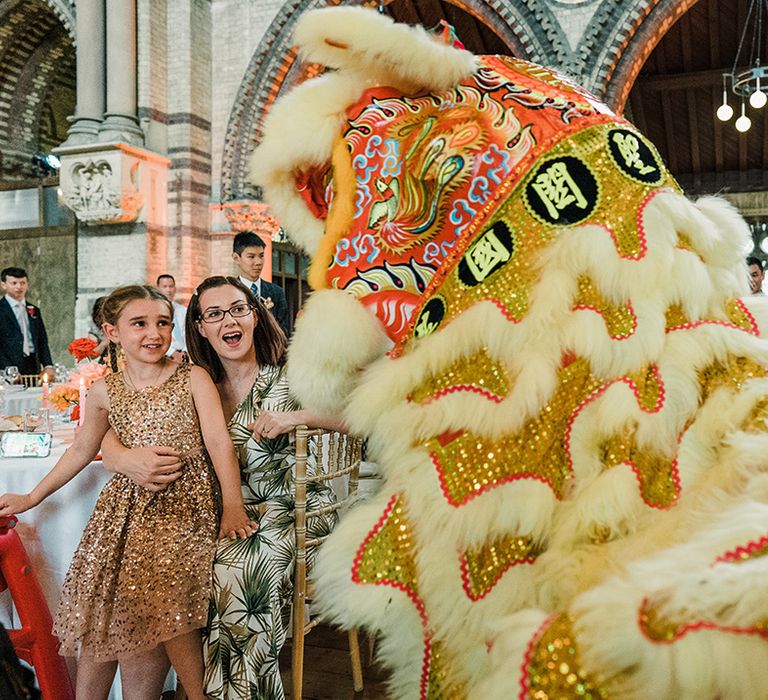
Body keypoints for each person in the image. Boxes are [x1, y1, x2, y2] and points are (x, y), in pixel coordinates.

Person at [0, 284, 257, 700]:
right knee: (106, 594)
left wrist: (232, 505)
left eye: (162, 324)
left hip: (185, 504)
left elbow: (218, 442)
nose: (153, 334)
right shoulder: (104, 391)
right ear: (112, 331)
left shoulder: (194, 377)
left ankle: (197, 693)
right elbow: (83, 449)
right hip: (124, 511)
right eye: (139, 324)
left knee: (166, 593)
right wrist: (32, 497)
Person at [103, 276, 340, 699]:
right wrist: (119, 457)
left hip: (293, 505)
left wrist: (298, 416)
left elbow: (361, 415)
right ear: (199, 327)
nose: (228, 320)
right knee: (157, 567)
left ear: (254, 315)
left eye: (237, 309)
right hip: (215, 509)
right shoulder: (190, 380)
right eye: (214, 314)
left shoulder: (290, 371)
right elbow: (112, 419)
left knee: (235, 569)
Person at [232, 231, 290, 335]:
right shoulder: (229, 292)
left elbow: (284, 332)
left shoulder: (277, 292)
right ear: (236, 258)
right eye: (251, 257)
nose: (258, 262)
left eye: (261, 256)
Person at [0, 267, 53, 375]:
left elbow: (42, 339)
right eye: (14, 283)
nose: (19, 287)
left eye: (22, 283)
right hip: (8, 364)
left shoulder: (33, 309)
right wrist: (8, 368)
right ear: (4, 285)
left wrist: (48, 365)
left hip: (32, 361)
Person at [156, 273, 188, 361]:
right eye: (165, 286)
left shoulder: (183, 310)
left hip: (184, 355)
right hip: (163, 354)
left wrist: (185, 352)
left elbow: (188, 333)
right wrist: (172, 353)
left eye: (171, 286)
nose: (168, 290)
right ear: (158, 289)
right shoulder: (154, 311)